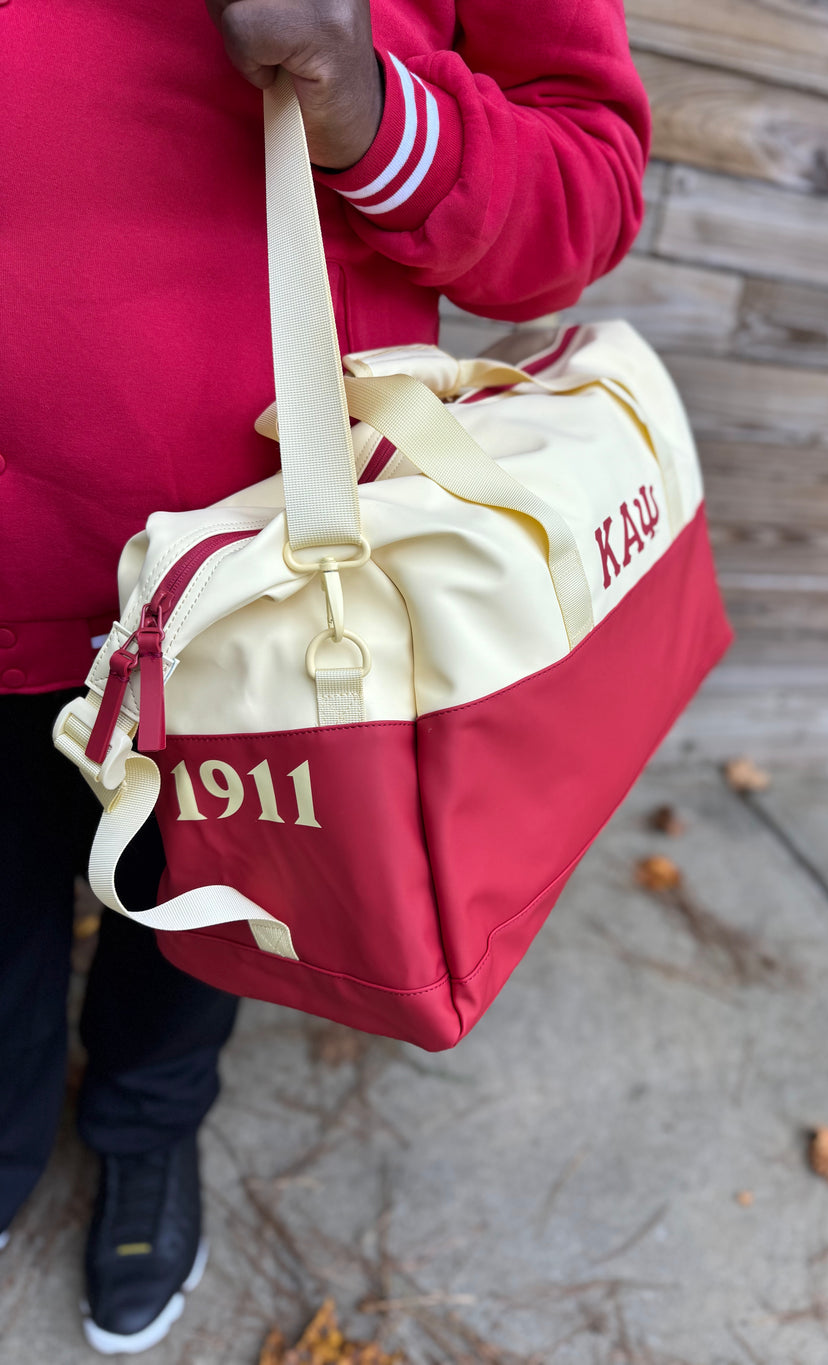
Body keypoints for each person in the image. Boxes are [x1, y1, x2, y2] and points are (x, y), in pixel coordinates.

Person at [0, 0, 650, 1352]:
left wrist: (370, 101)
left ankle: (144, 1125)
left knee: (213, 919)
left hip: (266, 600)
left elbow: (583, 189)